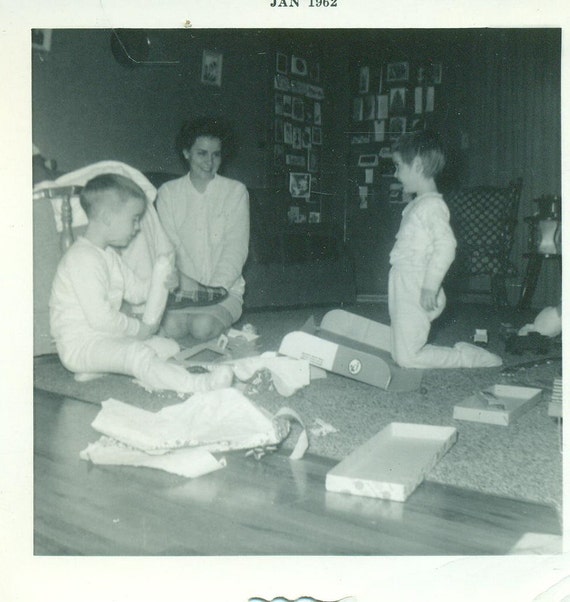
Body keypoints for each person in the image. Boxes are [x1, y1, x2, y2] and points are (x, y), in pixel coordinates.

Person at [49, 173, 233, 393]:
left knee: (168, 347)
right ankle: (197, 385)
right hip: (79, 345)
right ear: (107, 218)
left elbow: (137, 291)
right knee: (138, 354)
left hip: (103, 337)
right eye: (134, 219)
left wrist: (164, 284)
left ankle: (100, 366)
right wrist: (139, 330)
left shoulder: (109, 256)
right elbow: (101, 319)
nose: (137, 227)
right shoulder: (82, 259)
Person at [388, 130, 502, 369]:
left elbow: (446, 246)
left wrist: (430, 285)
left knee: (408, 358)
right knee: (402, 339)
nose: (396, 174)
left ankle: (466, 358)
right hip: (403, 280)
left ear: (417, 165)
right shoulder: (418, 204)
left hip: (417, 284)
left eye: (398, 166)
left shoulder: (432, 206)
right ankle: (402, 344)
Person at [156, 117, 250, 342]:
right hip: (182, 292)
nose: (209, 162)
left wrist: (214, 291)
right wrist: (190, 290)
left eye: (215, 154)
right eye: (201, 153)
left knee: (202, 328)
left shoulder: (235, 191)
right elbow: (170, 248)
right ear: (186, 153)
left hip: (223, 290)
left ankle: (223, 326)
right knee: (170, 327)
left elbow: (235, 248)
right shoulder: (168, 193)